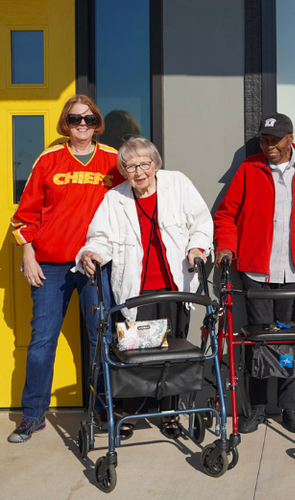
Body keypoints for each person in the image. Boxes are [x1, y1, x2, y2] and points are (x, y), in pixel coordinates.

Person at [76, 136, 213, 439]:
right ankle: (130, 412)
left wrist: (198, 248)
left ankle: (170, 414)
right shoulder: (115, 198)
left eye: (144, 164)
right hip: (137, 292)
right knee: (137, 355)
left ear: (155, 164)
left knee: (172, 352)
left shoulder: (177, 184)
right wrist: (91, 253)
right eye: (130, 166)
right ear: (123, 171)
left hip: (175, 287)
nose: (139, 172)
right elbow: (101, 237)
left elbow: (201, 223)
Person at [8, 95, 121, 443]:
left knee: (100, 338)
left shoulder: (114, 161)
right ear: (66, 123)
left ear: (98, 122)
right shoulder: (49, 159)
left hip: (95, 267)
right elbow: (24, 215)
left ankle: (104, 410)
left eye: (89, 120)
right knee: (42, 340)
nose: (82, 126)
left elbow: (128, 212)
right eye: (75, 120)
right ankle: (32, 415)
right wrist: (28, 254)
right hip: (50, 266)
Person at [213, 113, 295, 434]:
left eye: (275, 141)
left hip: (294, 271)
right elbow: (226, 215)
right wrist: (226, 246)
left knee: (289, 342)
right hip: (256, 270)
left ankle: (288, 407)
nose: (269, 147)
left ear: (290, 139)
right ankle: (255, 407)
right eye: (265, 140)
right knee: (257, 341)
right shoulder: (248, 169)